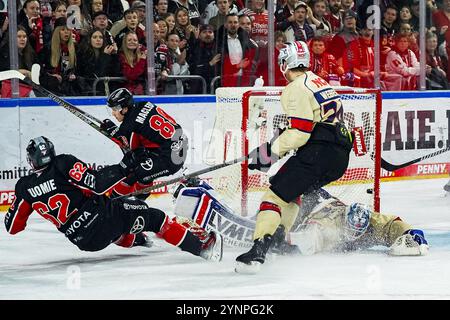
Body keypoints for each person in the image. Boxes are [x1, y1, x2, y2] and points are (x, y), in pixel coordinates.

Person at [234, 40, 354, 273]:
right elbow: (309, 126)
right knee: (291, 192)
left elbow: (300, 133)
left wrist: (268, 154)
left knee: (275, 195)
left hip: (320, 152)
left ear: (285, 63)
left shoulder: (295, 87)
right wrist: (274, 146)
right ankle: (279, 239)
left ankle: (257, 252)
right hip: (339, 157)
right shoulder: (320, 82)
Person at [4, 136, 222, 261]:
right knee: (154, 217)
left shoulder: (24, 186)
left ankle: (137, 239)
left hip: (83, 241)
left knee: (123, 210)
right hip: (103, 219)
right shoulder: (63, 163)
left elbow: (12, 227)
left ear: (31, 160)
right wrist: (124, 166)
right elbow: (98, 185)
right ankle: (202, 248)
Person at [100, 88, 188, 198]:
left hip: (171, 158)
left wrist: (113, 132)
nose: (113, 113)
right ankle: (137, 203)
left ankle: (111, 205)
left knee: (131, 174)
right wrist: (118, 133)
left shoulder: (128, 126)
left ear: (125, 109)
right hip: (180, 145)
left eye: (115, 109)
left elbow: (129, 148)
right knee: (142, 169)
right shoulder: (145, 104)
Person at [289, 189, 429, 257]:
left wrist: (409, 232)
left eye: (358, 230)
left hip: (331, 202)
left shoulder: (369, 222)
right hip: (313, 203)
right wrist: (289, 238)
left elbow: (390, 225)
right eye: (351, 228)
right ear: (345, 219)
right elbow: (312, 236)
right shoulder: (332, 224)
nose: (354, 233)